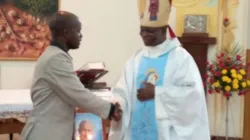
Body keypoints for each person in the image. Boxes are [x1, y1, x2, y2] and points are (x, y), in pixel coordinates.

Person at [108, 0, 210, 139]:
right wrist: (118, 104)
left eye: (150, 30)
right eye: (142, 29)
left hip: (165, 133)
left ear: (164, 30)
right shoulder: (135, 60)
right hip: (135, 131)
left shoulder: (181, 58)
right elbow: (122, 90)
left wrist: (157, 92)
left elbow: (193, 96)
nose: (145, 34)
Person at [21, 11, 122, 140]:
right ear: (67, 33)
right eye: (78, 31)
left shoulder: (55, 55)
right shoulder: (56, 58)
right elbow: (78, 94)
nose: (81, 36)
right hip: (45, 133)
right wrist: (110, 110)